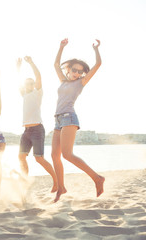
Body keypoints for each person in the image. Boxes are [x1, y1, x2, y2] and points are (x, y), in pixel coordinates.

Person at [52, 38, 105, 202]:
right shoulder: (63, 81)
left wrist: (96, 49)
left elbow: (98, 65)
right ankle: (61, 187)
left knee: (67, 155)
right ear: (68, 69)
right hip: (58, 120)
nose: (76, 73)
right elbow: (55, 64)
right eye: (74, 70)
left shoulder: (80, 83)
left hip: (69, 118)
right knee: (55, 156)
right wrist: (61, 47)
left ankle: (97, 178)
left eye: (80, 71)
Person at [16, 56, 57, 192]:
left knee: (39, 158)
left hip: (37, 130)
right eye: (26, 83)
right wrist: (18, 67)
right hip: (26, 131)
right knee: (21, 157)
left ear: (33, 85)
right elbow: (17, 81)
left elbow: (38, 76)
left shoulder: (38, 93)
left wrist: (31, 63)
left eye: (31, 83)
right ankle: (24, 181)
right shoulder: (24, 95)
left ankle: (56, 181)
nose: (28, 85)